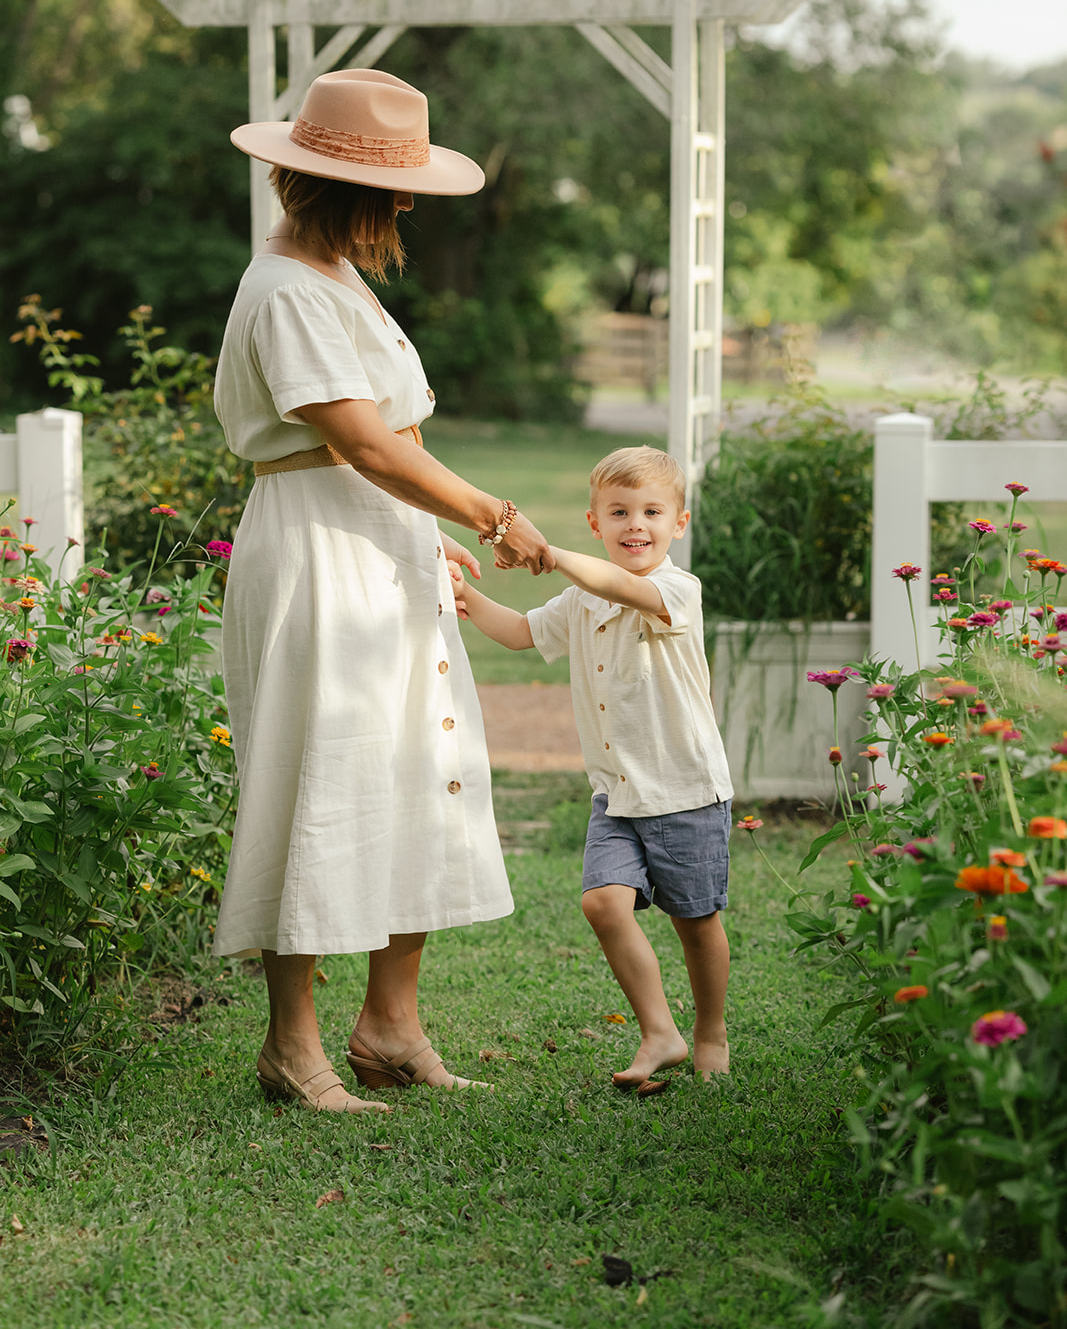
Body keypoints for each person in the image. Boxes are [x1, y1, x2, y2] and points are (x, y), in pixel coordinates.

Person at [212, 67, 554, 1113]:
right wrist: (487, 512)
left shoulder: (336, 278)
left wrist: (426, 536)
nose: (406, 207)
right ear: (323, 187)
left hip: (377, 546)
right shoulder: (283, 292)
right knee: (321, 773)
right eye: (393, 190)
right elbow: (358, 440)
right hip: (319, 550)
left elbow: (393, 439)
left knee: (415, 765)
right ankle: (292, 1046)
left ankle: (389, 1027)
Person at [448, 445, 733, 1087]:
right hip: (616, 795)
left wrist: (551, 557)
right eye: (620, 512)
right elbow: (522, 631)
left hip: (684, 789)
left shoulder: (673, 589)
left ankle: (709, 1031)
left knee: (696, 922)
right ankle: (660, 1033)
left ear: (679, 524)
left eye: (653, 512)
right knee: (604, 904)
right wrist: (466, 597)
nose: (637, 525)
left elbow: (620, 586)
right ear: (595, 523)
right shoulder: (581, 603)